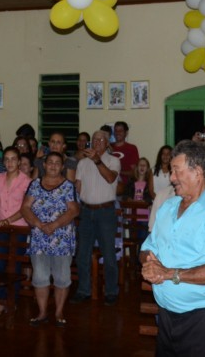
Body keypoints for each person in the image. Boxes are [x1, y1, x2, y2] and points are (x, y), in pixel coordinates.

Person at [141, 140, 205, 355]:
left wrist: (168, 273)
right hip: (166, 313)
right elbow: (148, 247)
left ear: (197, 172)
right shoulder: (168, 206)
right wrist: (149, 264)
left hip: (201, 318)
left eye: (177, 171)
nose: (172, 177)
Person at [21, 152, 79, 327]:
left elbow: (74, 210)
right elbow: (25, 208)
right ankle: (42, 312)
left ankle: (59, 311)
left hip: (61, 238)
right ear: (44, 165)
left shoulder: (68, 186)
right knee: (40, 276)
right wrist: (39, 223)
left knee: (62, 277)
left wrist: (54, 225)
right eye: (50, 162)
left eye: (57, 163)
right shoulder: (35, 185)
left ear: (62, 167)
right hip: (39, 238)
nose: (53, 166)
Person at [71, 130, 121, 305]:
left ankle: (111, 291)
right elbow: (78, 187)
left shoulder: (113, 161)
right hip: (86, 211)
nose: (96, 142)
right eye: (94, 140)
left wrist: (97, 160)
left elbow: (110, 178)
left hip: (105, 212)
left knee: (108, 254)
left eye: (100, 140)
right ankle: (83, 289)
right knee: (82, 254)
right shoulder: (83, 163)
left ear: (107, 143)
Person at [0, 146, 30, 316]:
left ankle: (12, 300)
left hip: (18, 227)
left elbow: (26, 208)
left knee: (14, 266)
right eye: (7, 159)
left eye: (13, 159)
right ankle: (0, 301)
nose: (10, 162)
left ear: (19, 162)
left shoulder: (26, 181)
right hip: (1, 227)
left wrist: (8, 221)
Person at [111, 121, 140, 186]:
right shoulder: (108, 147)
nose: (118, 133)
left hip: (124, 187)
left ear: (126, 133)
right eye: (116, 130)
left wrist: (117, 172)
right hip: (108, 186)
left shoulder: (131, 148)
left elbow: (134, 172)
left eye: (120, 131)